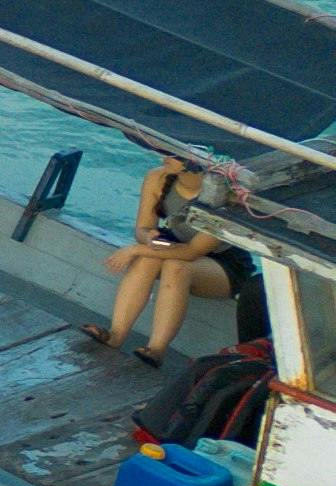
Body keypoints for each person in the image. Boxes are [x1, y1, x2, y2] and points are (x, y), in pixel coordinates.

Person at [98, 155, 266, 363]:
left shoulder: (225, 194)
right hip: (173, 244)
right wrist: (147, 238)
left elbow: (192, 252)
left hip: (223, 262)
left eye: (172, 153)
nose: (164, 157)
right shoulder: (157, 178)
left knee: (176, 266)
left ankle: (156, 350)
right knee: (146, 259)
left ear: (195, 161)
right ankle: (116, 335)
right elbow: (143, 228)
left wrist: (135, 249)